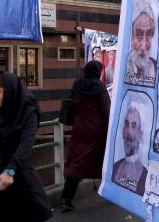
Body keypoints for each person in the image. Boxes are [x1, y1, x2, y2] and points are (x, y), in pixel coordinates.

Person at [0, 72, 52, 221]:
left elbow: (25, 145)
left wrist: (10, 170)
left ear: (11, 91)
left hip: (18, 178)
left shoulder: (29, 114)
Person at [62, 61, 111, 211]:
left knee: (76, 163)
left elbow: (72, 104)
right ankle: (110, 192)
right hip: (97, 132)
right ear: (97, 71)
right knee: (105, 162)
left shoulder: (76, 85)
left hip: (79, 129)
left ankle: (66, 197)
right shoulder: (99, 87)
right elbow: (106, 110)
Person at [112, 96, 148, 195]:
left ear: (140, 134)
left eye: (134, 125)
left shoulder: (145, 177)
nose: (128, 131)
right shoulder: (115, 167)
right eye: (126, 124)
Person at [125, 0, 157, 86]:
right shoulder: (121, 66)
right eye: (139, 35)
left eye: (148, 35)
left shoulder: (157, 67)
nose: (143, 47)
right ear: (131, 36)